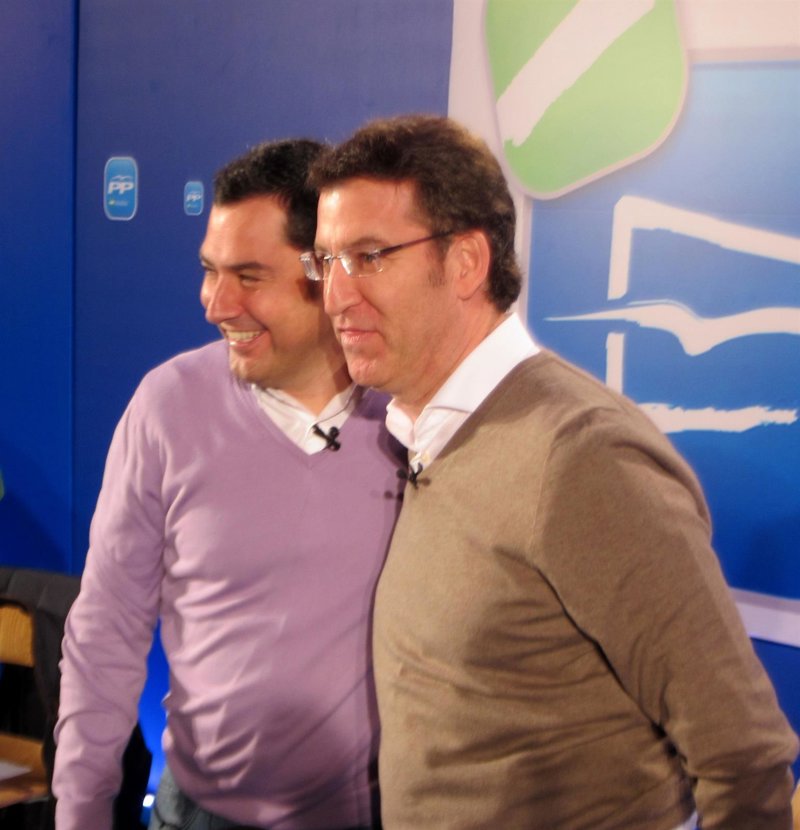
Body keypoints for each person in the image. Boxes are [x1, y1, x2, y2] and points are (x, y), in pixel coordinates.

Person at [305, 115, 799, 829]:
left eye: (369, 256)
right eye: (326, 261)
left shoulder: (582, 457)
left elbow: (743, 756)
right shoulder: (423, 435)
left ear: (466, 262)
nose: (335, 296)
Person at [53, 139, 403, 830]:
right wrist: (81, 812)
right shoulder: (167, 406)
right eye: (210, 270)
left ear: (329, 275)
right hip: (196, 813)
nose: (215, 303)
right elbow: (107, 633)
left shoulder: (412, 413)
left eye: (248, 276)